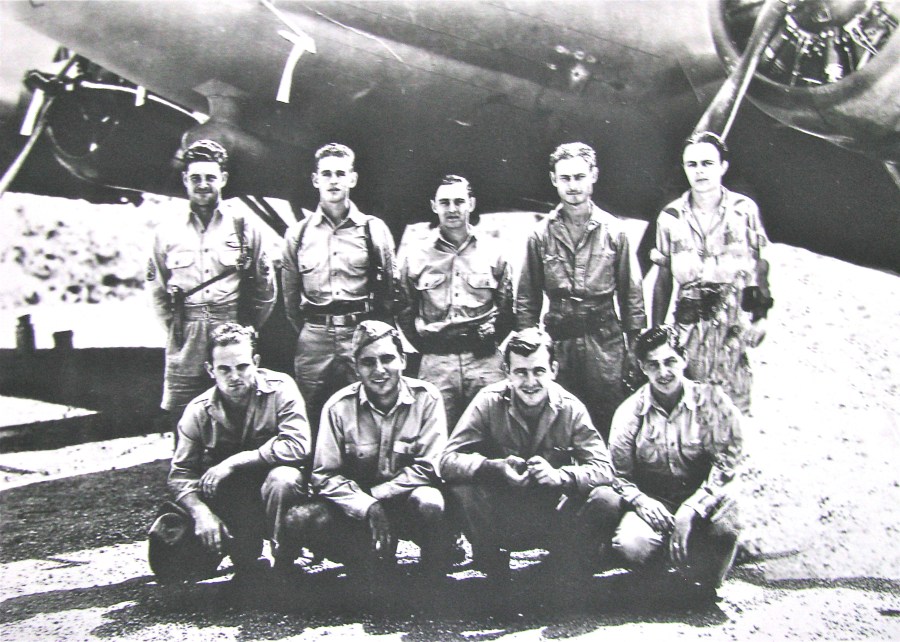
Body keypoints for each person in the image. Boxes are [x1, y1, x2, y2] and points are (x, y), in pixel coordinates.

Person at [440, 327, 616, 587]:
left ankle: (562, 566)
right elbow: (447, 460)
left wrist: (560, 476)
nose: (530, 382)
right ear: (507, 372)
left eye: (539, 371)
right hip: (502, 512)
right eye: (521, 372)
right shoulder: (488, 401)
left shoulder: (571, 407)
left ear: (553, 370)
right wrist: (493, 467)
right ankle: (492, 564)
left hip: (552, 513)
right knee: (461, 487)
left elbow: (604, 468)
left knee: (606, 499)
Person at [285, 320, 454, 580]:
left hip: (405, 502)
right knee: (302, 518)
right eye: (368, 362)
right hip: (357, 510)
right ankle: (364, 563)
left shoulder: (427, 398)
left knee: (430, 502)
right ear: (355, 368)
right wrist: (366, 506)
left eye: (387, 359)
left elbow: (429, 467)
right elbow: (324, 475)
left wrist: (377, 497)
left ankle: (431, 582)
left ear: (403, 360)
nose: (379, 370)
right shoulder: (338, 407)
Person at [149, 323, 311, 584]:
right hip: (234, 497)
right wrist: (201, 514)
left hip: (281, 494)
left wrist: (234, 461)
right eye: (224, 369)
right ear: (210, 370)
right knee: (171, 563)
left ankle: (286, 560)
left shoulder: (281, 388)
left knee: (283, 478)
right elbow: (181, 474)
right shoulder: (198, 411)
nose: (234, 376)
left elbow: (298, 444)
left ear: (256, 362)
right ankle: (247, 561)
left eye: (242, 366)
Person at [591, 326, 743, 600]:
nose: (663, 372)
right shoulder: (630, 411)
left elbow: (727, 464)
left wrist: (692, 508)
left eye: (670, 361)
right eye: (653, 365)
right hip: (657, 501)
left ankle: (700, 573)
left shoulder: (712, 403)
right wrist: (641, 502)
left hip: (703, 498)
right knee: (631, 544)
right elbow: (618, 474)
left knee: (725, 530)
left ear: (684, 358)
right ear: (643, 368)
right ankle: (662, 575)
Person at [516, 142, 646, 440]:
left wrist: (634, 348)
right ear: (554, 180)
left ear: (593, 176)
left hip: (605, 343)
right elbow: (526, 300)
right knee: (557, 419)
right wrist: (528, 352)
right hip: (558, 341)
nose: (572, 186)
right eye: (565, 178)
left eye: (579, 177)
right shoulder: (540, 235)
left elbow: (632, 296)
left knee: (608, 418)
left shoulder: (615, 232)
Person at [148, 139, 276, 431]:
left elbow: (265, 287)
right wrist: (178, 328)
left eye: (210, 177)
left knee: (236, 407)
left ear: (223, 179)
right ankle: (187, 460)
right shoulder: (167, 230)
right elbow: (157, 290)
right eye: (195, 178)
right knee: (184, 413)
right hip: (187, 330)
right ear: (185, 180)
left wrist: (247, 329)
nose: (203, 185)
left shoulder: (244, 225)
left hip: (230, 323)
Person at [281, 143, 402, 434]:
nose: (333, 180)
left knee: (368, 406)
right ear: (315, 180)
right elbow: (289, 295)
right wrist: (313, 327)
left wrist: (369, 332)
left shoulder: (373, 229)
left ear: (352, 179)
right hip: (315, 336)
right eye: (326, 174)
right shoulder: (298, 234)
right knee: (309, 411)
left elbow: (390, 290)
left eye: (340, 173)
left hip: (359, 333)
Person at [651, 131, 772, 413]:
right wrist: (658, 333)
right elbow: (663, 280)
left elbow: (758, 268)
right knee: (688, 411)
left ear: (723, 166)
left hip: (731, 329)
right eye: (691, 164)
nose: (699, 171)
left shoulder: (744, 211)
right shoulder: (670, 217)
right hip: (687, 330)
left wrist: (760, 316)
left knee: (732, 412)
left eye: (707, 163)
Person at [399, 174, 514, 428]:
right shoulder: (415, 256)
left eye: (459, 201)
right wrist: (429, 344)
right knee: (435, 433)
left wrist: (490, 338)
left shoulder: (494, 252)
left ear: (471, 204)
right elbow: (404, 309)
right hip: (437, 361)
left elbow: (508, 308)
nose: (452, 209)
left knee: (494, 430)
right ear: (434, 206)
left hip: (484, 360)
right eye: (445, 202)